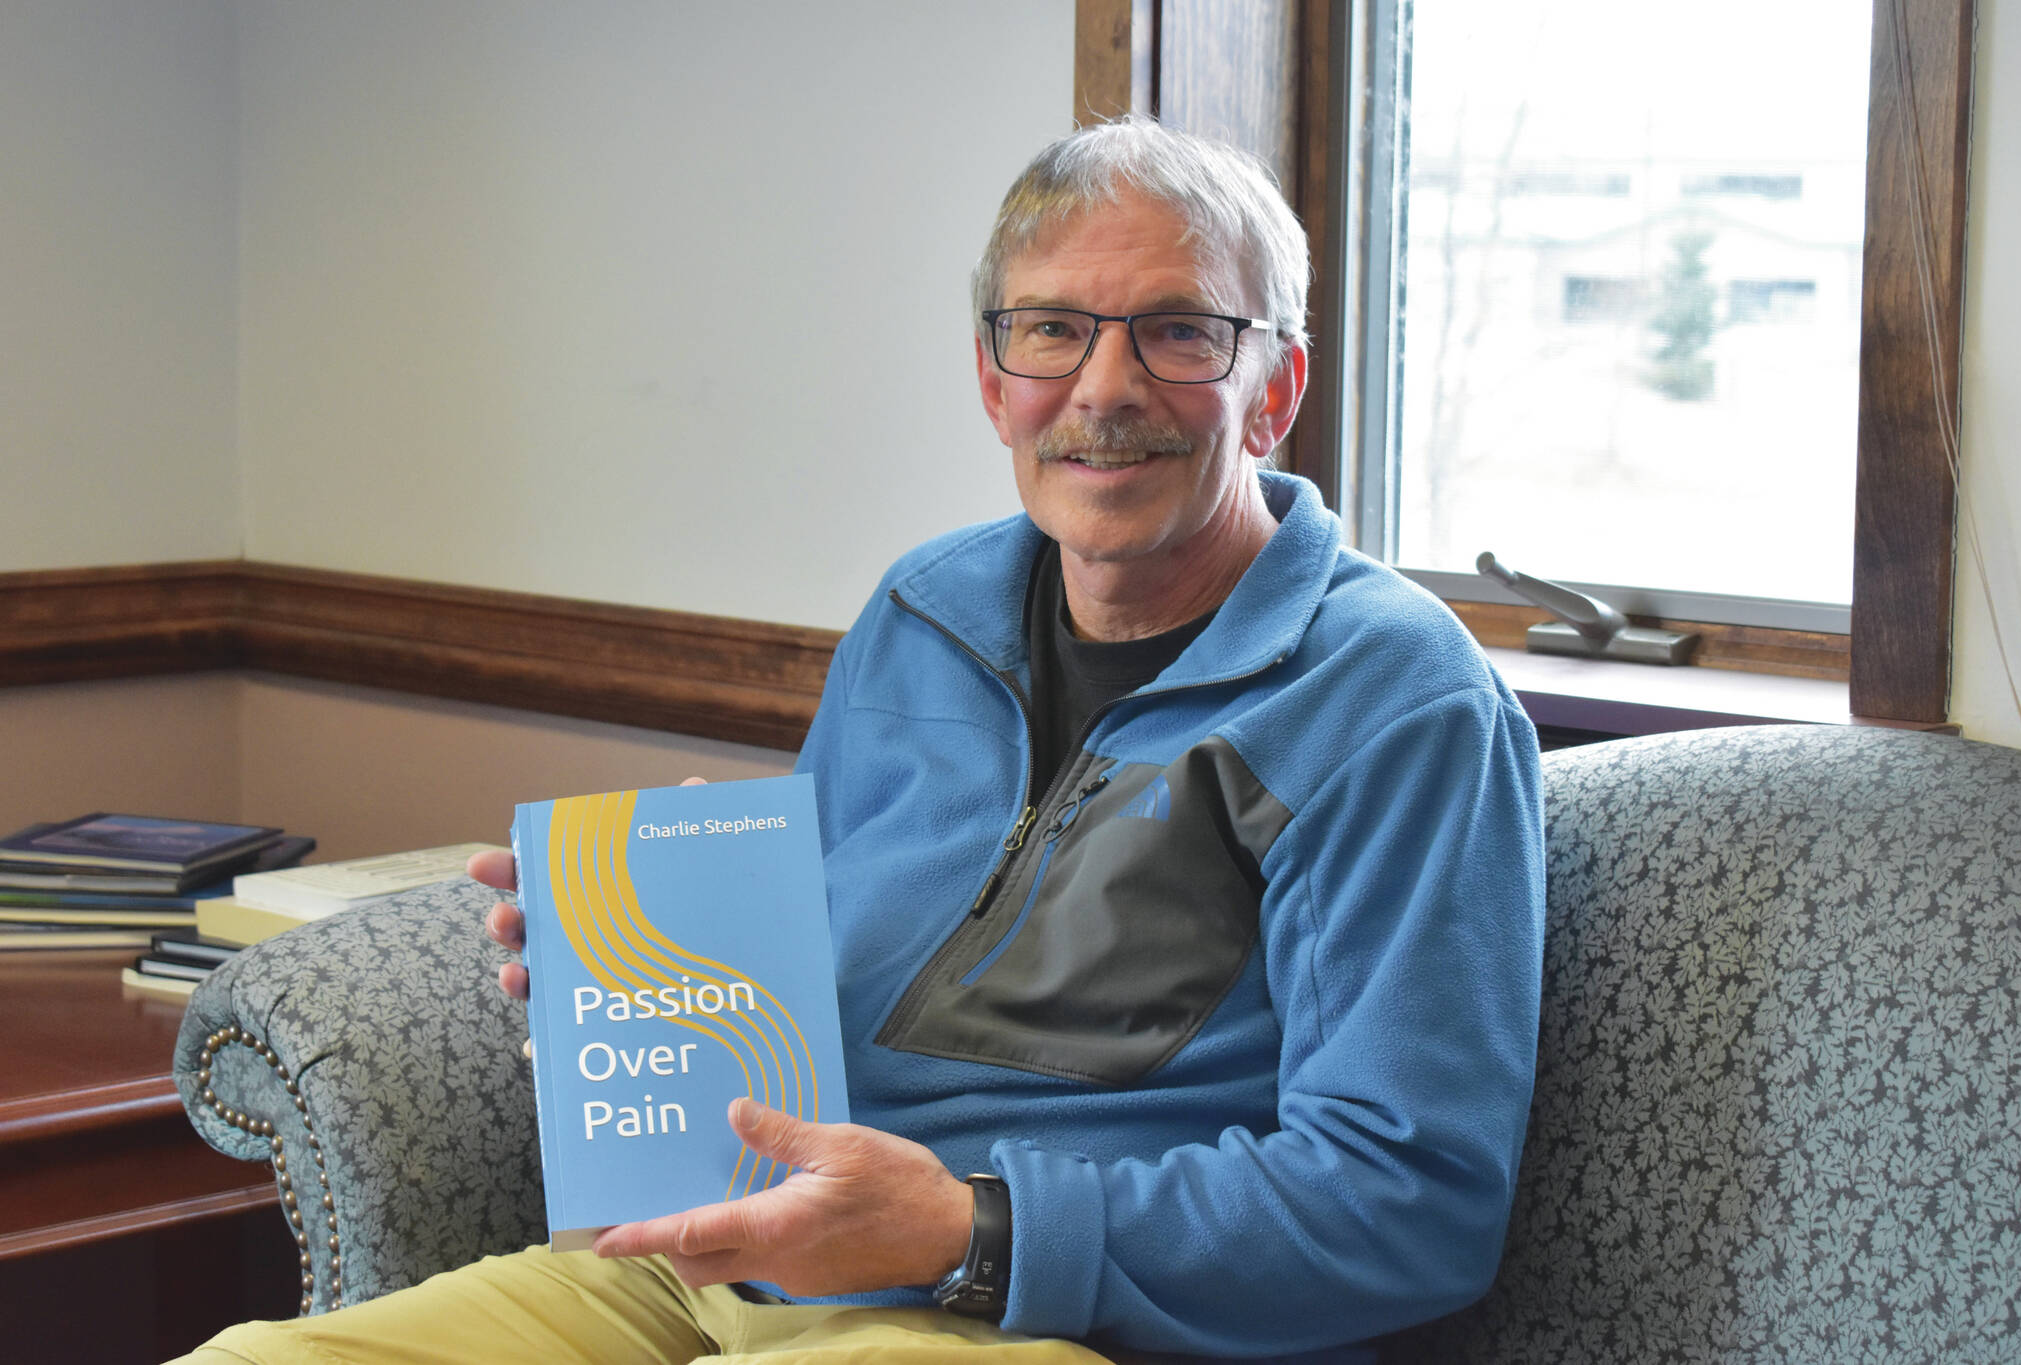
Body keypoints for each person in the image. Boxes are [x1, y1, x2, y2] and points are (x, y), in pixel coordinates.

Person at [176, 116, 1543, 1365]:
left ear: (1276, 385)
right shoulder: (924, 612)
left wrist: (968, 1226)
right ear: (992, 377)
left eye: (1180, 333)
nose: (1103, 387)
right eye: (1051, 330)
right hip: (742, 1265)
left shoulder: (1396, 700)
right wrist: (656, 970)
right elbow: (821, 1010)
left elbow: (1407, 1203)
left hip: (1076, 1326)